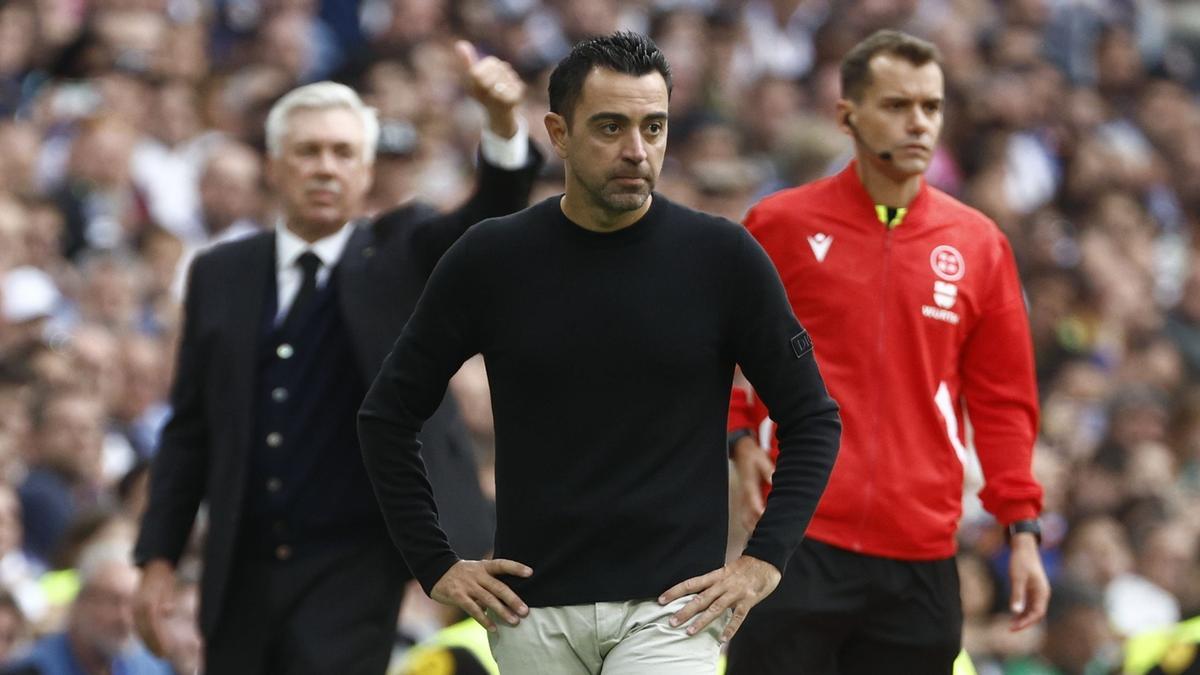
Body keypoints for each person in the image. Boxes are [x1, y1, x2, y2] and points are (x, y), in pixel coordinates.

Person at [358, 31, 841, 675]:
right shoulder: (489, 258)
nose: (637, 151)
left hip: (672, 615)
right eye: (611, 127)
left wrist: (763, 563)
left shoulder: (723, 259)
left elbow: (813, 418)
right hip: (532, 618)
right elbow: (386, 416)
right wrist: (435, 564)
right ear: (558, 133)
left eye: (654, 126)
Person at [132, 41, 542, 674]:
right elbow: (190, 428)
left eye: (342, 152)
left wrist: (501, 122)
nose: (325, 167)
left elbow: (493, 211)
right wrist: (156, 559)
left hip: (354, 563)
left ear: (366, 169)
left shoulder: (401, 251)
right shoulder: (220, 272)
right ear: (273, 166)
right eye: (308, 151)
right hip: (239, 564)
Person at [724, 29, 1050, 674]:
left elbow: (1004, 400)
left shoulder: (980, 245)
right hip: (796, 541)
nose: (919, 123)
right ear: (847, 114)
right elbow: (720, 354)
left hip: (921, 557)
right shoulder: (780, 225)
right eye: (898, 106)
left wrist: (1024, 529)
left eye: (931, 107)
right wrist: (738, 440)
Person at [3, 543, 171, 675]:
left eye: (132, 603)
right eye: (112, 601)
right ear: (81, 601)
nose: (124, 618)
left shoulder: (148, 667)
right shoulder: (33, 669)